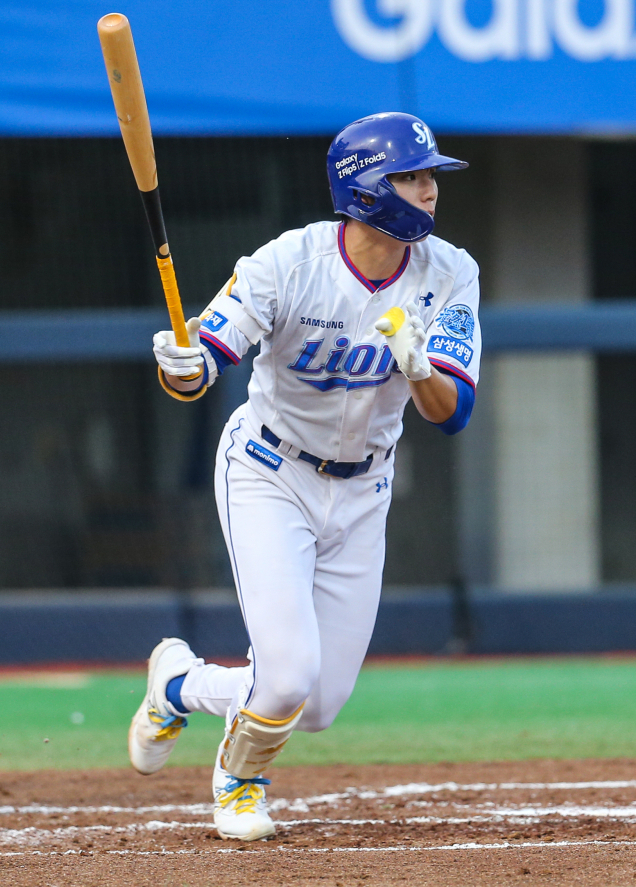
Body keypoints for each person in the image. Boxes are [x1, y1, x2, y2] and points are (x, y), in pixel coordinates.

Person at [128, 111, 481, 842]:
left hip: (364, 489)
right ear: (366, 188)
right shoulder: (287, 263)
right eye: (411, 177)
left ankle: (178, 684)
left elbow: (452, 414)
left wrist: (417, 366)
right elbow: (207, 363)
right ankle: (241, 783)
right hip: (269, 471)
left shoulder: (451, 272)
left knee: (314, 706)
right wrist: (186, 368)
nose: (428, 191)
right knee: (285, 676)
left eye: (429, 178)